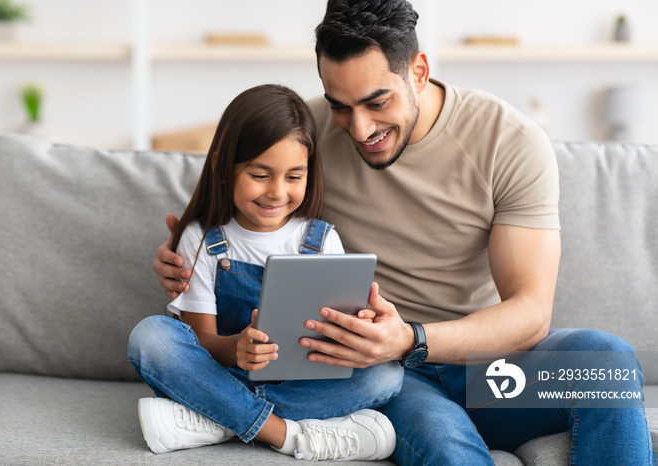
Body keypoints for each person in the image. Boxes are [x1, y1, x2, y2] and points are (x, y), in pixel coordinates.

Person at [153, 2, 655, 465]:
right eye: (341, 105)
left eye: (377, 102)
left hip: (487, 373)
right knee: (444, 441)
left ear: (419, 71)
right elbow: (240, 206)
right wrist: (182, 256)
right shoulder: (307, 139)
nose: (359, 128)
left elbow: (530, 314)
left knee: (605, 362)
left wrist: (409, 339)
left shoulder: (509, 141)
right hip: (387, 380)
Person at [128, 83, 403, 462]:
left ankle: (218, 419)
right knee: (151, 337)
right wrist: (236, 348)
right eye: (260, 174)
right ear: (223, 166)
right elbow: (202, 340)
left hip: (298, 383)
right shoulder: (204, 238)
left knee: (387, 372)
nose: (276, 192)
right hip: (221, 375)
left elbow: (339, 343)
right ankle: (285, 434)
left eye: (293, 177)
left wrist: (356, 330)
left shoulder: (322, 241)